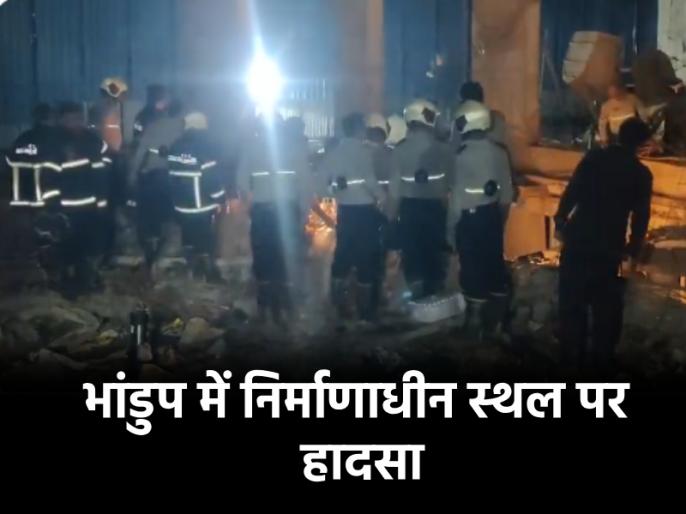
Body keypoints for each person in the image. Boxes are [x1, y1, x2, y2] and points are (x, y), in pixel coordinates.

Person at [554, 118, 653, 376]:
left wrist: (560, 220)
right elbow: (641, 217)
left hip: (577, 240)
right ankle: (601, 365)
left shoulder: (594, 158)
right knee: (605, 310)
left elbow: (573, 190)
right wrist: (633, 249)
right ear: (641, 145)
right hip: (608, 247)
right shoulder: (641, 174)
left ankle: (570, 361)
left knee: (571, 304)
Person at [237, 115, 312, 325]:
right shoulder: (295, 147)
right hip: (287, 210)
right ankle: (284, 309)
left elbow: (241, 181)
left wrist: (250, 202)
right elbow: (306, 183)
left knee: (263, 257)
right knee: (284, 257)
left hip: (261, 211)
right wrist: (304, 214)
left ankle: (264, 308)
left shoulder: (251, 147)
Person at [450, 100, 514, 339]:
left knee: (472, 268)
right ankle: (496, 322)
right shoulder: (500, 152)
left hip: (470, 220)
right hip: (493, 216)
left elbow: (457, 199)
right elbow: (507, 193)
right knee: (494, 264)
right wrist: (500, 220)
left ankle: (474, 325)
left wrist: (450, 230)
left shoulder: (461, 155)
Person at [319, 112, 385, 322]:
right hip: (365, 213)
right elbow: (370, 181)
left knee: (342, 257)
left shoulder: (334, 153)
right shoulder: (364, 152)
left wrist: (335, 191)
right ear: (358, 129)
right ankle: (365, 312)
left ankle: (338, 307)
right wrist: (383, 199)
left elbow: (320, 184)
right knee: (366, 259)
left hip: (345, 211)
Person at [390, 99, 453, 300]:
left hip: (409, 210)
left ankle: (417, 299)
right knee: (435, 258)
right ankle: (434, 299)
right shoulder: (444, 149)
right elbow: (452, 186)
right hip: (437, 210)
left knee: (413, 258)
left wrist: (390, 219)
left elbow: (394, 191)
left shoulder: (399, 150)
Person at [55, 102, 111, 295]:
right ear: (61, 120)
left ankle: (86, 281)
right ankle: (68, 282)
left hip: (88, 205)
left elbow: (101, 172)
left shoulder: (92, 140)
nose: (74, 123)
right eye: (70, 119)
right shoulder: (55, 141)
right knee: (66, 245)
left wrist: (102, 202)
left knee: (87, 245)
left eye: (78, 118)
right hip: (64, 206)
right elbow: (49, 174)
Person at [167, 112, 225, 281]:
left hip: (180, 204)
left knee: (189, 238)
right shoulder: (204, 147)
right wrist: (220, 198)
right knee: (206, 240)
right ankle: (210, 274)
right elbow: (211, 177)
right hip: (201, 205)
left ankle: (193, 271)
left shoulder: (175, 146)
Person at [128, 100, 185, 270]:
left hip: (152, 176)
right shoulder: (182, 127)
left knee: (148, 217)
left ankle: (151, 253)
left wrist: (132, 175)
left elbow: (140, 152)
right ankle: (167, 252)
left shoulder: (153, 126)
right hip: (175, 178)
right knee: (170, 217)